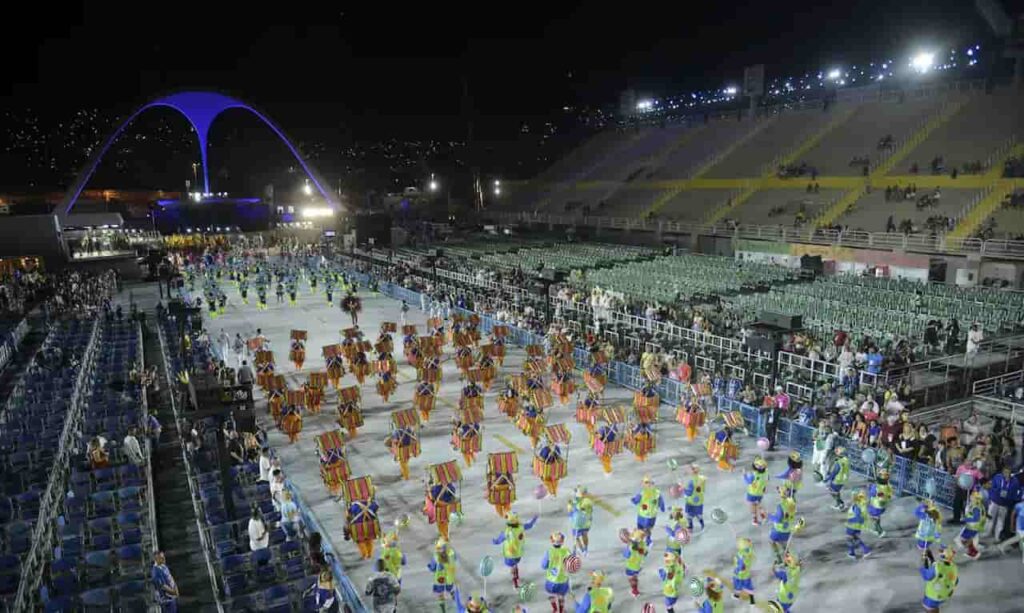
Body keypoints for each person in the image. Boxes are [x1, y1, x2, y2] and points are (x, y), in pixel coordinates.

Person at [492, 512, 538, 588]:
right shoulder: (521, 527)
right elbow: (529, 525)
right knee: (515, 565)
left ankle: (515, 582)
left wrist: (495, 541)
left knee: (512, 567)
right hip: (518, 553)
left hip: (510, 554)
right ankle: (517, 577)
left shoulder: (507, 532)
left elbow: (500, 539)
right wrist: (534, 520)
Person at [920, 545, 959, 612]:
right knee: (932, 606)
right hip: (944, 594)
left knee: (928, 607)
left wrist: (924, 562)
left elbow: (926, 576)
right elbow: (956, 581)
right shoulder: (953, 568)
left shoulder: (938, 567)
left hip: (933, 596)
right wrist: (930, 557)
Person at [987, 465, 1020, 542]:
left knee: (1000, 522)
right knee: (991, 519)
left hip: (1004, 504)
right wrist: (992, 497)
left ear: (1011, 473)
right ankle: (987, 533)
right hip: (995, 501)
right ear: (1002, 472)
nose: (1006, 474)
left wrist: (1008, 495)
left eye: (1008, 473)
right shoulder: (997, 477)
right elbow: (992, 488)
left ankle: (997, 537)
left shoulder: (1015, 481)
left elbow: (1015, 493)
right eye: (1005, 472)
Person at [542, 532, 571, 611]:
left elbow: (544, 566)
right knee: (561, 596)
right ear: (562, 541)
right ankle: (561, 610)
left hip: (551, 581)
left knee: (550, 594)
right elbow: (571, 565)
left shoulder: (549, 552)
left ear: (551, 541)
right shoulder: (567, 551)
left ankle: (554, 609)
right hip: (563, 580)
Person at [631, 475, 666, 542]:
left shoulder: (643, 493)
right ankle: (648, 539)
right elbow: (661, 502)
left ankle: (640, 540)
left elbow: (636, 501)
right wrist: (662, 508)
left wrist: (633, 500)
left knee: (640, 528)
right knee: (648, 529)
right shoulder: (657, 493)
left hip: (642, 515)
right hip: (652, 515)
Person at [957, 490, 987, 560]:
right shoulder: (976, 505)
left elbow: (976, 519)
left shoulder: (976, 507)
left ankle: (975, 552)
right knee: (966, 539)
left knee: (963, 539)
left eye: (972, 497)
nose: (971, 497)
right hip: (972, 526)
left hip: (973, 527)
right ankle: (972, 552)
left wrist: (965, 519)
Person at [845, 489, 872, 559]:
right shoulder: (862, 503)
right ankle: (862, 551)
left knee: (850, 538)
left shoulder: (857, 506)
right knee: (855, 538)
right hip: (858, 525)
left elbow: (858, 516)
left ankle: (854, 553)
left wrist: (851, 520)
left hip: (852, 525)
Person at [567, 485, 594, 555]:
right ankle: (583, 549)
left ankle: (584, 549)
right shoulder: (574, 501)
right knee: (578, 536)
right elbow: (570, 509)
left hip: (583, 521)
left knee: (581, 535)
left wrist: (575, 509)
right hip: (578, 521)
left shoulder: (587, 501)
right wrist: (570, 513)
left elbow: (587, 509)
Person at [867, 469, 894, 537]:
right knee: (877, 516)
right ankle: (876, 529)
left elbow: (871, 494)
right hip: (884, 505)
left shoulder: (876, 487)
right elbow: (890, 495)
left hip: (875, 505)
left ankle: (880, 531)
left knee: (873, 517)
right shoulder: (889, 486)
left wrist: (870, 488)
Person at [744, 456, 769, 526]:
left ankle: (755, 520)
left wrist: (744, 475)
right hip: (760, 493)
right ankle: (763, 516)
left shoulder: (753, 475)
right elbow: (766, 480)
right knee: (759, 504)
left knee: (752, 506)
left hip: (751, 494)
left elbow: (748, 482)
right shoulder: (766, 473)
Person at [731, 537, 756, 605]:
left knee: (738, 586)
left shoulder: (741, 556)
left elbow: (740, 566)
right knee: (748, 586)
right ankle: (752, 600)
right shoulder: (750, 552)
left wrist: (737, 570)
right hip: (747, 575)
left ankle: (737, 595)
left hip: (739, 575)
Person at [682, 466, 706, 534]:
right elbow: (703, 489)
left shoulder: (691, 482)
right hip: (699, 500)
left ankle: (690, 528)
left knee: (689, 516)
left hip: (691, 501)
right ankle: (702, 525)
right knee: (699, 515)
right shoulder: (702, 479)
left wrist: (683, 489)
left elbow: (688, 493)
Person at [826, 446, 850, 511]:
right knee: (836, 491)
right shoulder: (846, 460)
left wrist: (828, 479)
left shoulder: (839, 462)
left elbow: (834, 472)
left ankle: (840, 504)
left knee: (832, 491)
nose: (836, 453)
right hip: (843, 480)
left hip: (837, 480)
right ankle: (839, 504)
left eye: (837, 452)